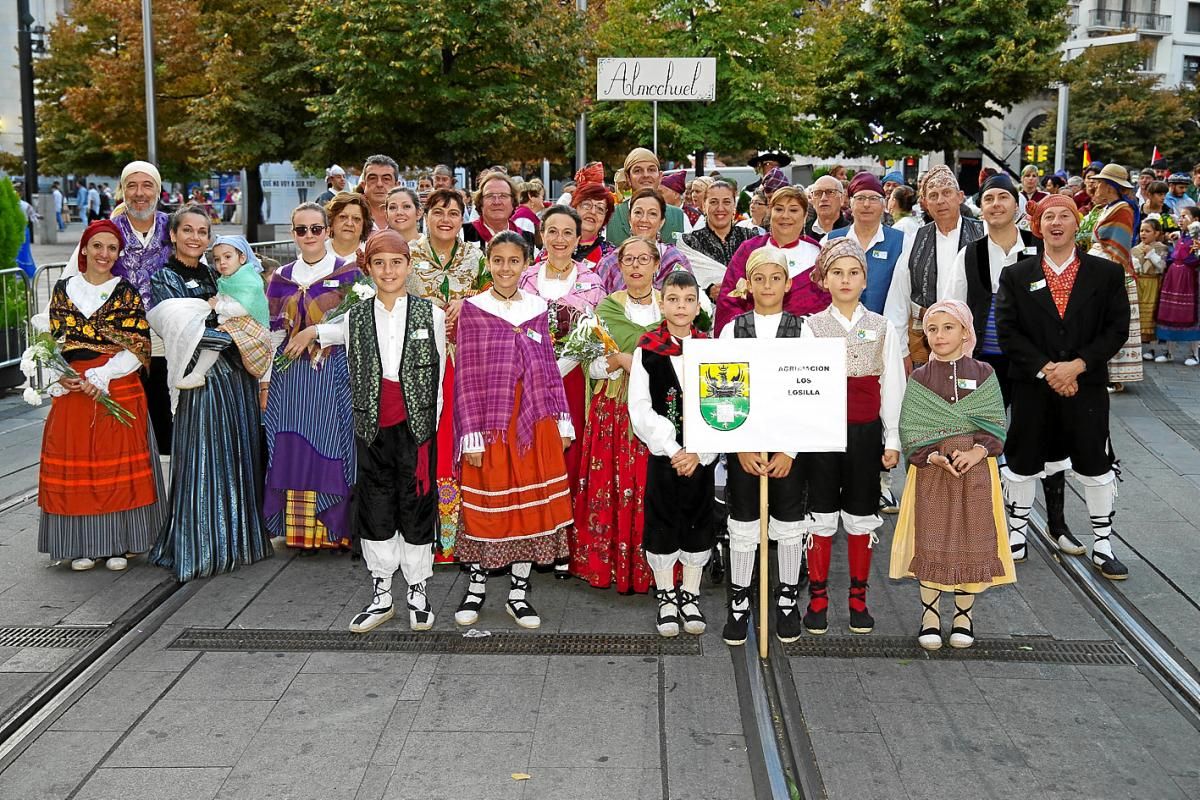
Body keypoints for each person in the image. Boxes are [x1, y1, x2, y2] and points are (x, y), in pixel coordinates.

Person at [316, 230, 446, 633]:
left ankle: (419, 589)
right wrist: (312, 333)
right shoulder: (355, 315)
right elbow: (332, 331)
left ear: (409, 265)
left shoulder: (432, 314)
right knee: (375, 503)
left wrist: (433, 428)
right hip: (372, 427)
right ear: (367, 269)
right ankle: (382, 591)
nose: (388, 270)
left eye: (396, 262)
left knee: (417, 503)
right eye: (379, 263)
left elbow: (441, 375)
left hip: (417, 427)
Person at [996, 194, 1131, 579]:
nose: (1056, 223)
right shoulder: (1016, 274)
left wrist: (1077, 366)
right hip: (1032, 386)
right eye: (1048, 216)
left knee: (1094, 461)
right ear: (1037, 226)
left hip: (1085, 385)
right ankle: (1016, 533)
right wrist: (1047, 369)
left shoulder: (1105, 274)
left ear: (1077, 224)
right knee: (1022, 461)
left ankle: (1103, 543)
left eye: (1064, 216)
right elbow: (1007, 331)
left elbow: (1116, 329)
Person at [452, 232, 574, 629]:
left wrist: (562, 420)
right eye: (498, 260)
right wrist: (470, 434)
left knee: (530, 511)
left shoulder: (537, 308)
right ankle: (476, 587)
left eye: (514, 261)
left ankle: (519, 594)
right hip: (491, 426)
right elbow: (466, 376)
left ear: (526, 265)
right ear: (489, 262)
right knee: (488, 506)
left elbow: (548, 368)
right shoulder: (473, 308)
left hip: (534, 422)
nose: (506, 268)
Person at [148, 206, 273, 581]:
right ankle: (200, 545)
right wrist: (239, 334)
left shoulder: (218, 272)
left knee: (239, 456)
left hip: (237, 380)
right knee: (203, 459)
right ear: (172, 235)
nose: (195, 237)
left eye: (203, 232)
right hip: (199, 383)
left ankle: (239, 542)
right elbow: (193, 332)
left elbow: (249, 317)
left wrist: (239, 333)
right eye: (187, 230)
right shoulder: (163, 278)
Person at [37, 220, 165, 572]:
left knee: (116, 464)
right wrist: (63, 376)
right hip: (74, 388)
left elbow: (138, 345)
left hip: (117, 383)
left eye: (111, 248)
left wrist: (102, 375)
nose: (104, 254)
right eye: (98, 246)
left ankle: (119, 545)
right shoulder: (64, 290)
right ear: (84, 249)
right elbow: (56, 341)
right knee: (79, 464)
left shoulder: (125, 292)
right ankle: (81, 544)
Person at [890, 299, 1013, 650]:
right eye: (932, 329)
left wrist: (977, 451)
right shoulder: (919, 377)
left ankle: (963, 616)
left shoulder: (984, 373)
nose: (940, 335)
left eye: (948, 328)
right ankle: (930, 615)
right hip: (932, 470)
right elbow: (911, 427)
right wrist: (931, 457)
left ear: (965, 332)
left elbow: (994, 424)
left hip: (976, 469)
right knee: (930, 538)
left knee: (971, 537)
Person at [798, 239, 904, 635]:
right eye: (837, 272)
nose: (846, 279)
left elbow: (892, 384)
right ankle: (819, 599)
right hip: (823, 435)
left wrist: (891, 439)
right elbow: (802, 384)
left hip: (864, 433)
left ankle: (859, 599)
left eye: (854, 272)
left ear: (865, 279)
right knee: (821, 515)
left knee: (861, 516)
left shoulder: (881, 327)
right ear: (823, 279)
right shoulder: (810, 327)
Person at [718, 247, 809, 645]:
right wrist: (739, 445)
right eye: (759, 278)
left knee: (789, 523)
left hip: (788, 446)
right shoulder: (732, 330)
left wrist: (790, 448)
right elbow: (722, 393)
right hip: (746, 444)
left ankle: (787, 597)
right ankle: (739, 600)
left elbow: (810, 393)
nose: (768, 286)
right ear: (748, 284)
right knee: (743, 522)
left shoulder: (803, 331)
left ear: (787, 284)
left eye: (776, 278)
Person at [262, 202, 361, 552]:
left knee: (329, 443)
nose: (309, 236)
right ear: (293, 234)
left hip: (331, 373)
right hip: (290, 378)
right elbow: (273, 332)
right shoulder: (281, 277)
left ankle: (334, 528)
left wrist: (315, 331)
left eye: (316, 229)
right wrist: (266, 380)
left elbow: (357, 323)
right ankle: (299, 532)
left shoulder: (349, 272)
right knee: (290, 445)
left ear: (328, 231)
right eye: (301, 230)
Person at [571, 237, 665, 594]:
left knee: (652, 488)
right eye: (630, 259)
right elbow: (590, 365)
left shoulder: (672, 304)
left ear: (656, 264)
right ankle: (608, 566)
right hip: (615, 410)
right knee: (613, 488)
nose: (637, 266)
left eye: (644, 259)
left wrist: (635, 361)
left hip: (659, 409)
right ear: (620, 266)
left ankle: (655, 568)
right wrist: (616, 362)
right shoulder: (606, 309)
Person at [518, 206, 606, 574]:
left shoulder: (593, 282)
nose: (559, 239)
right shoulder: (525, 279)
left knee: (568, 455)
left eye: (567, 232)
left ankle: (565, 543)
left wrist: (559, 367)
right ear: (541, 235)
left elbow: (595, 334)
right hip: (528, 379)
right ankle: (534, 538)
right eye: (552, 231)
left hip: (572, 379)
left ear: (578, 238)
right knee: (533, 454)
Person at [628, 270, 716, 637]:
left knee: (698, 520)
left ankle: (690, 594)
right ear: (661, 304)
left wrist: (700, 450)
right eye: (673, 299)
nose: (681, 307)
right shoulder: (647, 348)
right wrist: (673, 446)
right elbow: (640, 407)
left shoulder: (711, 350)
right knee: (663, 520)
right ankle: (666, 594)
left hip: (701, 457)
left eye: (688, 300)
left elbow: (725, 403)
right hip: (666, 456)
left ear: (698, 306)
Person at [406, 189, 487, 562]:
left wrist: (466, 303)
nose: (445, 219)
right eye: (438, 212)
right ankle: (423, 535)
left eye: (454, 213)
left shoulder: (477, 256)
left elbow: (496, 298)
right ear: (426, 214)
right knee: (424, 447)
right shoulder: (408, 254)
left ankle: (460, 538)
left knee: (461, 445)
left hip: (465, 363)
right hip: (419, 363)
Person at [948, 175, 1042, 402]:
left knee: (1027, 431)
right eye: (988, 199)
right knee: (985, 433)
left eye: (1003, 197)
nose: (996, 204)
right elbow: (953, 306)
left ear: (1016, 206)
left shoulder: (1039, 248)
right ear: (981, 208)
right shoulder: (969, 254)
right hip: (983, 361)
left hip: (1032, 361)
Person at [885, 164, 985, 367]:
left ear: (960, 196)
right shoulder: (914, 240)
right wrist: (901, 351)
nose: (941, 201)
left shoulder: (983, 234)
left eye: (947, 193)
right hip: (925, 342)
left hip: (975, 340)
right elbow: (898, 298)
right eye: (933, 195)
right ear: (924, 203)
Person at [715, 186, 827, 335]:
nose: (785, 216)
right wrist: (746, 331)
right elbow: (729, 300)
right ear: (770, 212)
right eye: (779, 209)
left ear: (805, 215)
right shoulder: (749, 250)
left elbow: (828, 303)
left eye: (793, 210)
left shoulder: (818, 255)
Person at [176, 236, 271, 389]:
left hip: (248, 325)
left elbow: (243, 308)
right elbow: (221, 297)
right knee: (215, 338)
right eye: (217, 259)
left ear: (242, 258)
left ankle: (198, 374)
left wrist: (218, 306)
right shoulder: (227, 280)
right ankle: (197, 374)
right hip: (234, 322)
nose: (222, 262)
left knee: (215, 340)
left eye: (227, 257)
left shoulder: (249, 280)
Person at [1085, 164, 1142, 390]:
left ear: (1110, 187)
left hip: (1111, 270)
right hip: (1099, 267)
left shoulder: (1122, 209)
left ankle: (1115, 376)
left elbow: (1119, 248)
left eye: (1099, 183)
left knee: (1111, 321)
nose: (1095, 187)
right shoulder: (1108, 208)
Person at [595, 189, 693, 293]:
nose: (644, 219)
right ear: (629, 219)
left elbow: (691, 299)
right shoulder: (610, 263)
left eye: (652, 214)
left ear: (662, 222)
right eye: (638, 212)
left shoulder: (675, 259)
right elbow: (598, 304)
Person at [606, 148, 687, 246]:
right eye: (638, 171)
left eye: (651, 170)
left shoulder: (679, 217)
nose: (645, 175)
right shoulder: (610, 216)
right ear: (628, 178)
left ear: (660, 176)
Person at [1155, 207, 1200, 364]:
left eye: (1184, 216)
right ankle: (1169, 352)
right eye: (1179, 216)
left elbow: (1194, 259)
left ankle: (1194, 353)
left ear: (1195, 220)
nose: (1180, 219)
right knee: (1170, 313)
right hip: (1173, 278)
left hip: (1188, 280)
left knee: (1190, 315)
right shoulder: (1182, 237)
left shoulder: (1196, 239)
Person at [1132, 218, 1169, 360]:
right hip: (1139, 283)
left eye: (1147, 231)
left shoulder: (1161, 248)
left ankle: (1152, 349)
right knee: (1137, 316)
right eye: (1141, 230)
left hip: (1153, 284)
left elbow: (1161, 267)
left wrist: (1151, 254)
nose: (1143, 233)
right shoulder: (1135, 249)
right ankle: (1137, 349)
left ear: (1156, 233)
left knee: (1151, 316)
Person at [465, 173, 533, 246]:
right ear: (481, 202)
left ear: (513, 202)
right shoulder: (462, 234)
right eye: (490, 196)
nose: (497, 202)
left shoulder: (527, 239)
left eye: (503, 196)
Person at [569, 179, 616, 267]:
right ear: (575, 207)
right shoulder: (556, 243)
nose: (593, 212)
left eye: (600, 209)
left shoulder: (611, 256)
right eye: (587, 205)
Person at [325, 191, 372, 262]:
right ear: (331, 222)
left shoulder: (372, 255)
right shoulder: (317, 252)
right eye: (343, 217)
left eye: (356, 219)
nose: (349, 224)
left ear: (364, 225)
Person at [361, 155, 400, 231]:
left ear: (397, 186)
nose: (379, 184)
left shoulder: (408, 217)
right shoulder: (350, 216)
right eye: (373, 178)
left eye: (386, 179)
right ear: (363, 185)